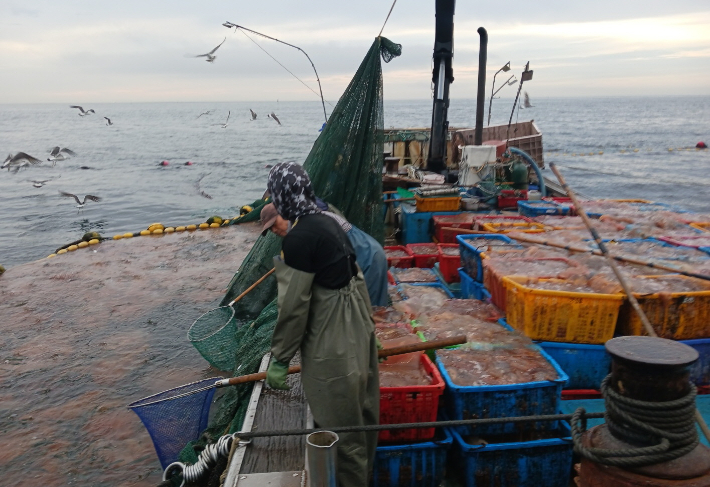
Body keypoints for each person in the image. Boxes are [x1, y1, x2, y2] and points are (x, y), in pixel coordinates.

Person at [264, 162, 379, 487]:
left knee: (341, 431)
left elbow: (293, 307)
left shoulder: (298, 239)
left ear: (282, 196)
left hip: (334, 343)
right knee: (364, 414)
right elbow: (355, 276)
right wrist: (369, 329)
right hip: (358, 330)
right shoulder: (327, 221)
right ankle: (366, 477)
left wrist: (281, 358)